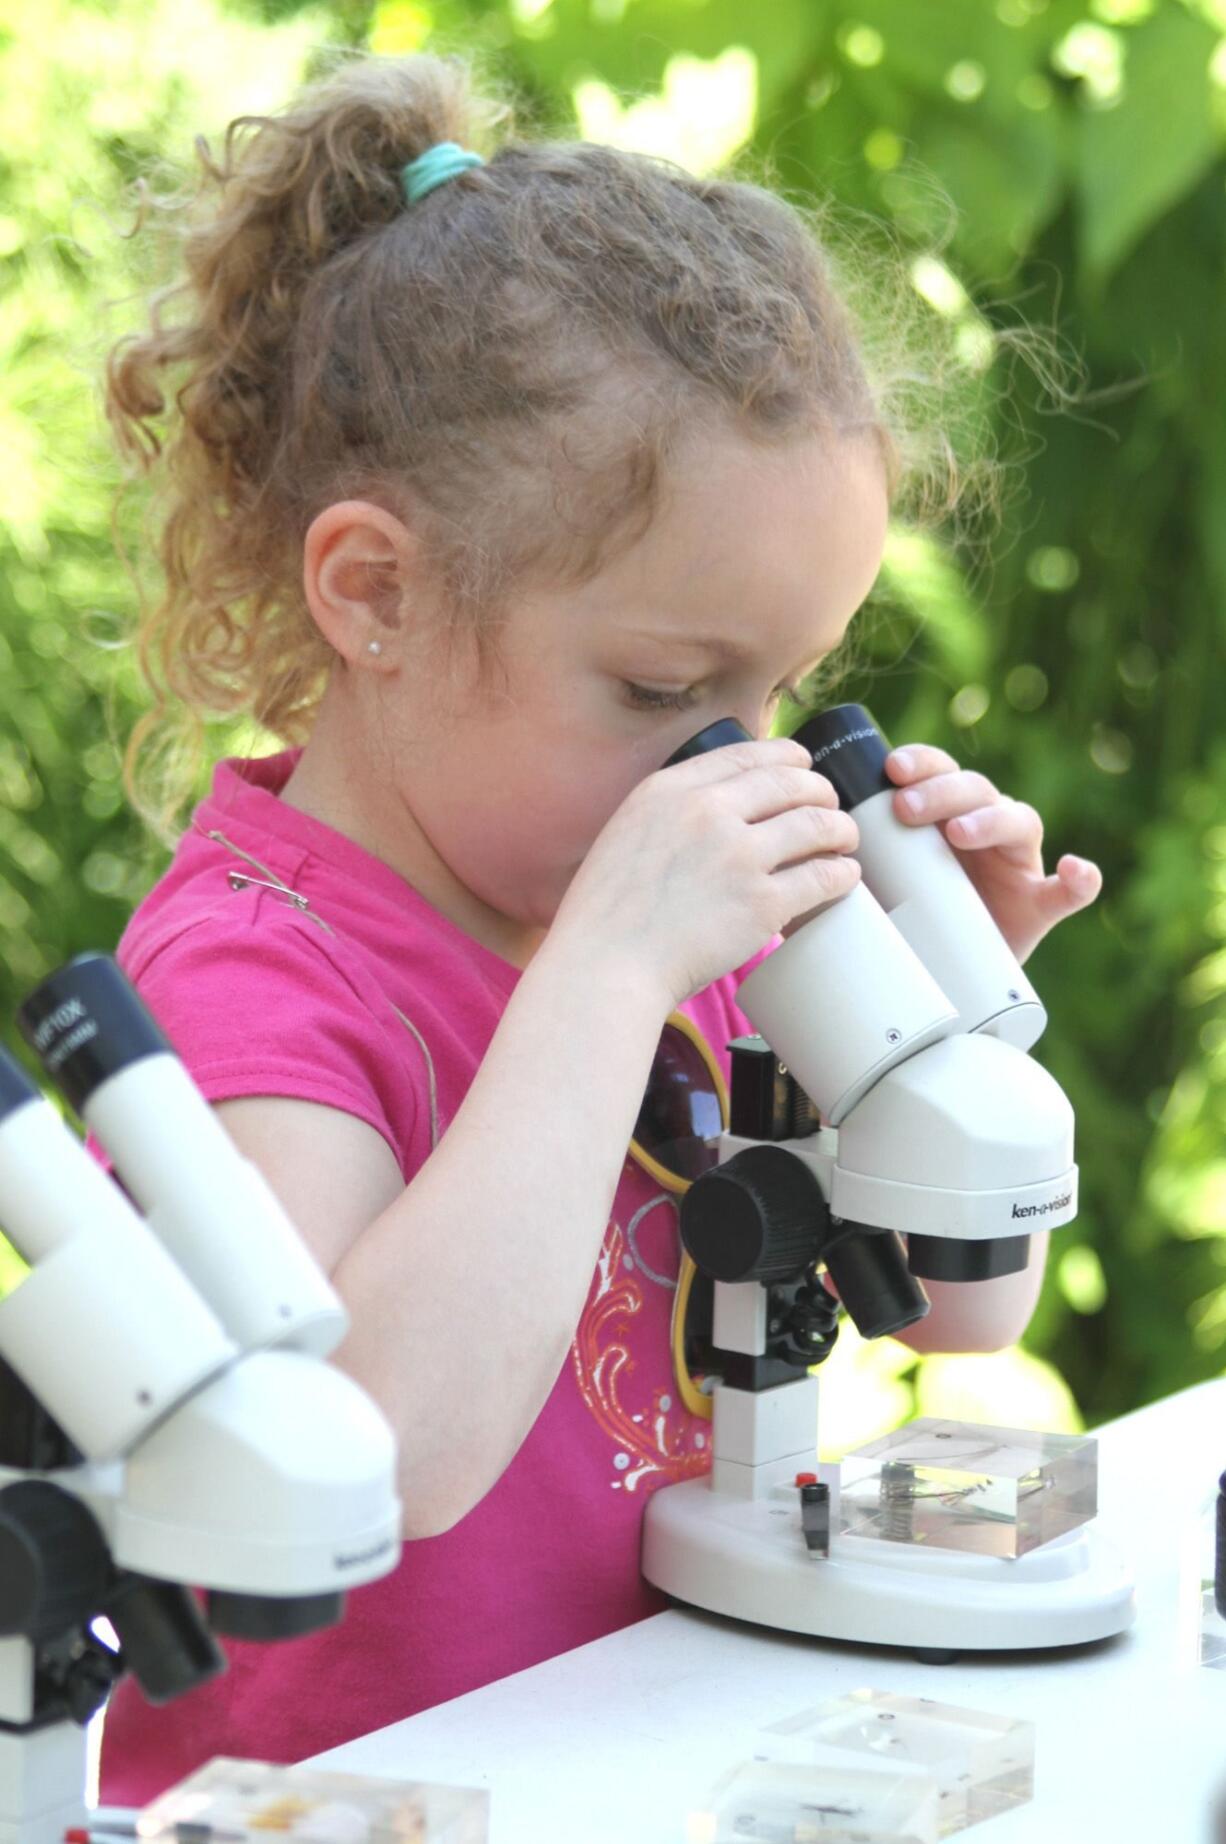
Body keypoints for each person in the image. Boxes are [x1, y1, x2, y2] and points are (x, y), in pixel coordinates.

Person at [97, 51, 1102, 1802]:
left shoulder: (635, 892)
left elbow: (960, 1316)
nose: (737, 759)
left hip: (647, 1767)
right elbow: (373, 1451)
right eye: (662, 689)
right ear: (376, 595)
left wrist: (945, 1033)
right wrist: (612, 973)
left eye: (782, 689)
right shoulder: (253, 978)